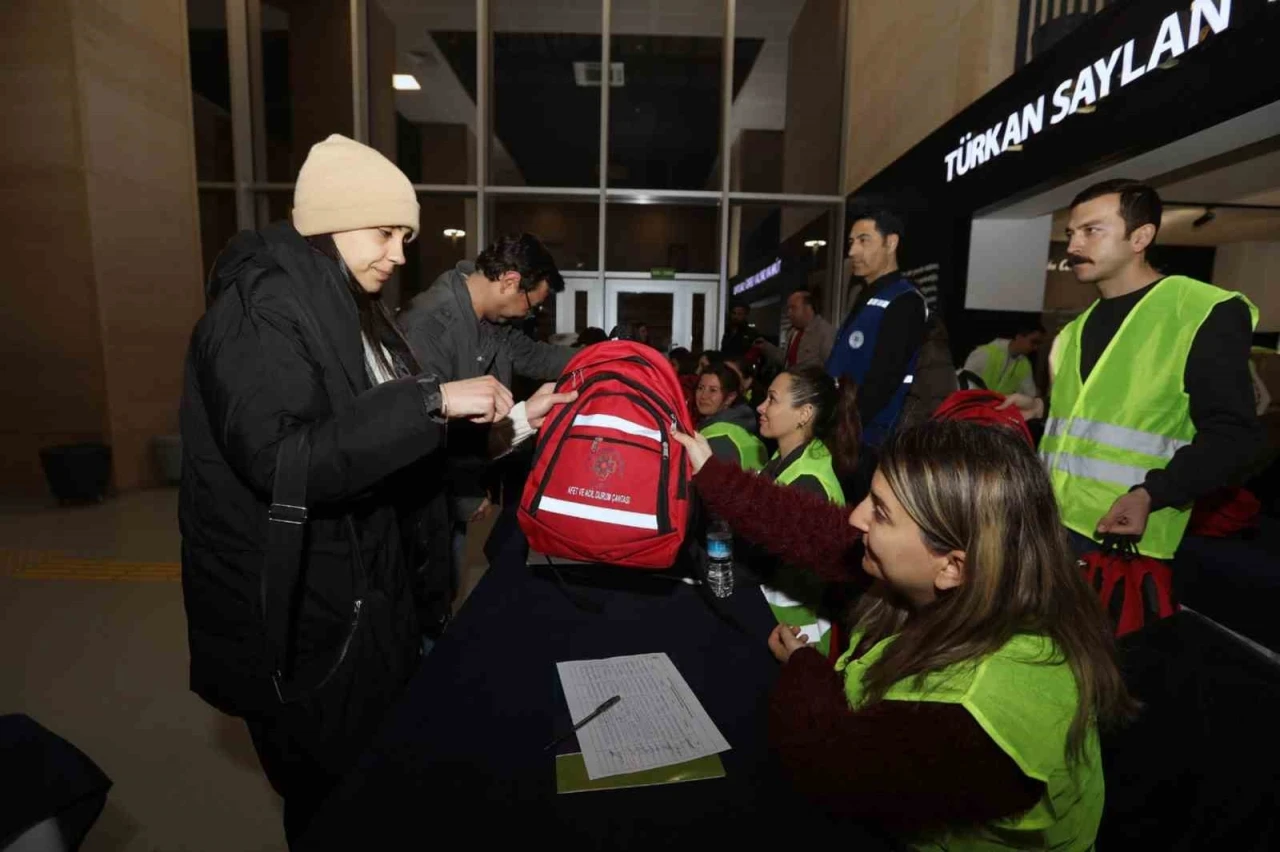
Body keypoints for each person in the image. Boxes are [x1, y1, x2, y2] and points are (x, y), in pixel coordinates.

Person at [178, 134, 575, 842]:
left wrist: (514, 421)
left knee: (376, 794)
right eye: (386, 231)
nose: (398, 252)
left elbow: (390, 447)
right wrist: (430, 401)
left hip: (368, 607)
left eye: (404, 235)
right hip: (311, 623)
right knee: (333, 805)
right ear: (329, 219)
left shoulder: (359, 310)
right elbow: (283, 460)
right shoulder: (260, 308)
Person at [673, 418, 1134, 848]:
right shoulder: (990, 582)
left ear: (953, 566)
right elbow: (810, 528)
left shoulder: (982, 712)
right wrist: (710, 471)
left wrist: (802, 666)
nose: (856, 519)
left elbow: (825, 765)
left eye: (881, 513)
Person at [1004, 179, 1262, 560]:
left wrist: (1153, 494)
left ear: (1140, 237)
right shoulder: (1074, 329)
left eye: (1092, 231)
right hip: (1050, 523)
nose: (1074, 247)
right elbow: (1102, 412)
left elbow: (1233, 435)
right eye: (1071, 233)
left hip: (1127, 535)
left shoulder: (1201, 310)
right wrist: (1043, 408)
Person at [398, 232, 574, 630]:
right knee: (424, 608)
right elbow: (424, 435)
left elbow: (538, 356)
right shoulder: (429, 325)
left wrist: (608, 356)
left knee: (445, 595)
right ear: (511, 281)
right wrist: (467, 489)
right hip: (425, 504)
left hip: (457, 486)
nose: (528, 315)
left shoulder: (486, 320)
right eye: (532, 305)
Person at [748, 365, 860, 656]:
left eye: (772, 399)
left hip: (794, 635)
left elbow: (758, 555)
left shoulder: (807, 483)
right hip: (774, 623)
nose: (761, 406)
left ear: (804, 414)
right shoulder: (786, 460)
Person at [826, 210, 927, 448]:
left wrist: (845, 429)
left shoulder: (904, 301)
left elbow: (884, 380)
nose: (852, 252)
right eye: (851, 242)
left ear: (890, 243)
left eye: (864, 240)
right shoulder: (867, 295)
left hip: (866, 439)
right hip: (844, 429)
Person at [695, 363, 766, 471]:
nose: (703, 396)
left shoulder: (720, 438)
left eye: (713, 390)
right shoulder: (740, 425)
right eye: (700, 388)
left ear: (730, 398)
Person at [757, 288, 837, 370]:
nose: (789, 313)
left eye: (793, 308)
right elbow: (787, 361)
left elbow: (833, 369)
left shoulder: (825, 332)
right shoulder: (792, 332)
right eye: (788, 309)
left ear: (808, 309)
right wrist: (766, 347)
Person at [962, 319, 1045, 397]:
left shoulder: (1025, 364)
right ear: (1019, 336)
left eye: (1038, 344)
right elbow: (964, 383)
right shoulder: (985, 353)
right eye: (1034, 342)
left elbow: (1030, 394)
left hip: (999, 409)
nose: (1035, 348)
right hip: (975, 406)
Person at [670, 346, 700, 423]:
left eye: (673, 364)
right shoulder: (696, 381)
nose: (669, 368)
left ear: (683, 365)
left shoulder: (682, 386)